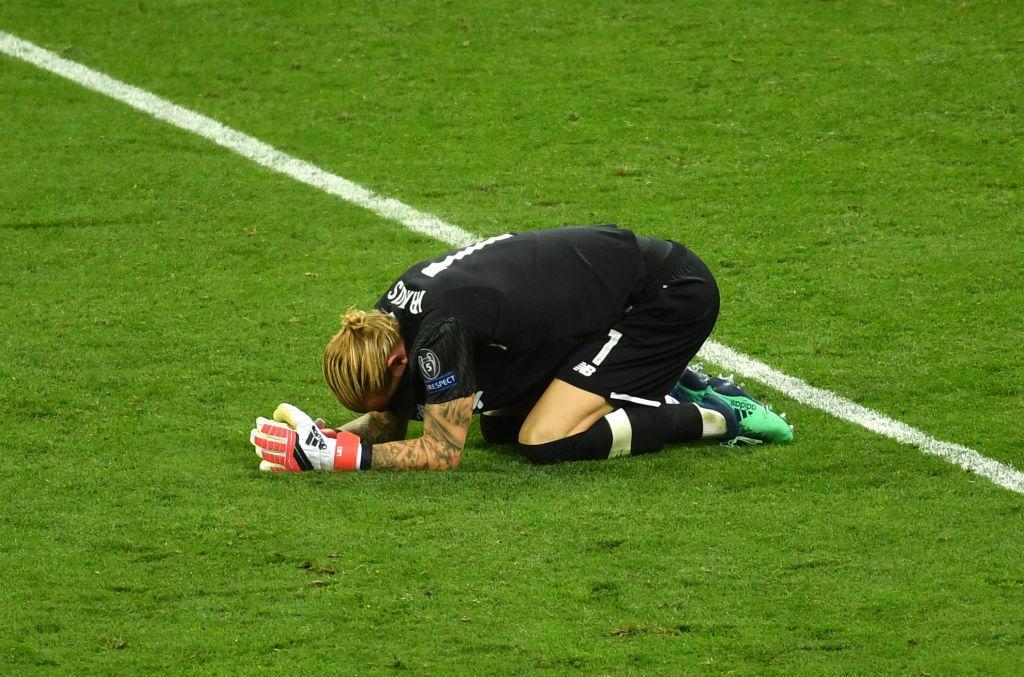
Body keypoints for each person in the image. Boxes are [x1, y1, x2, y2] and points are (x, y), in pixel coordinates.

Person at [249, 225, 793, 472]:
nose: (388, 411)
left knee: (544, 440)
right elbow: (392, 422)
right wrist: (320, 437)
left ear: (398, 362)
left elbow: (440, 452)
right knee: (501, 425)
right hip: (608, 305)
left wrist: (343, 457)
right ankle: (666, 380)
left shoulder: (439, 335)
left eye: (384, 396)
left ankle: (714, 414)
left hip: (665, 298)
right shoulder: (384, 323)